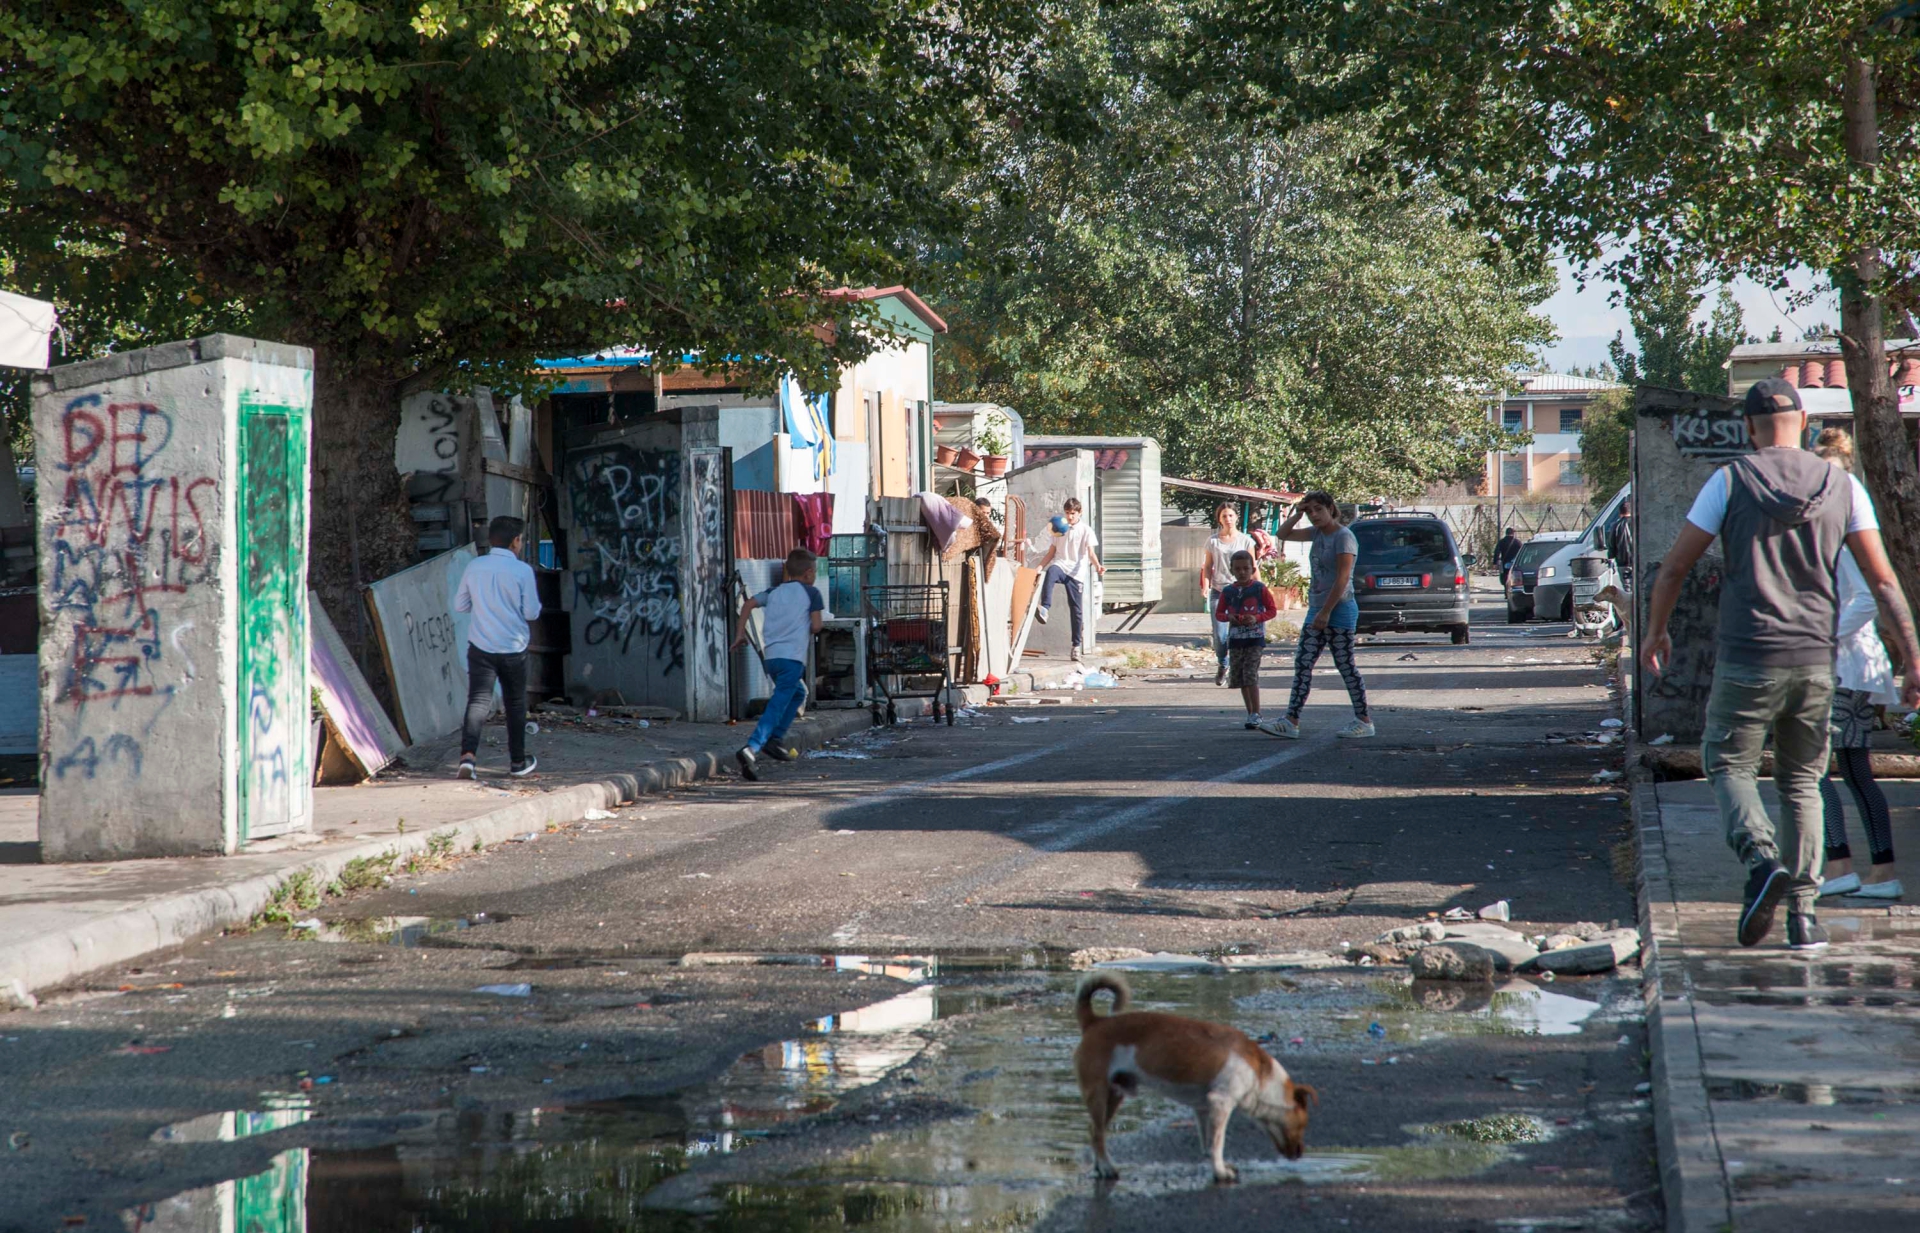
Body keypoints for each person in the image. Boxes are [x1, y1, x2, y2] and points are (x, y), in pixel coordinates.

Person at [1642, 380, 1920, 950]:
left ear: (1748, 428)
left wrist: (1655, 631)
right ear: (1804, 424)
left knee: (1729, 766)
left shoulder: (1729, 480)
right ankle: (1803, 917)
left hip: (1748, 656)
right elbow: (1883, 580)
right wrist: (1912, 659)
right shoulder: (1844, 486)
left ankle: (1760, 857)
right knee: (1803, 783)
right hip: (1818, 661)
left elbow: (1672, 569)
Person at [1811, 430, 1903, 901]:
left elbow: (1867, 598)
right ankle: (1876, 871)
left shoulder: (1844, 531)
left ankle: (1846, 866)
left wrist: (1822, 638)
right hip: (1851, 667)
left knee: (1818, 770)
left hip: (1845, 668)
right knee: (1850, 771)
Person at [1262, 491, 1374, 740]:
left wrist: (1326, 612)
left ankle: (1364, 720)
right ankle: (1291, 720)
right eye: (1310, 510)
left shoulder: (1344, 537)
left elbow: (1342, 579)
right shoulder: (1316, 533)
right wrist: (1297, 512)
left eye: (1317, 509)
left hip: (1339, 609)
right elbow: (1282, 535)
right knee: (1303, 663)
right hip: (1317, 608)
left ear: (1330, 508)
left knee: (1345, 665)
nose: (1314, 515)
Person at [454, 516, 542, 779]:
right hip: (513, 648)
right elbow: (531, 612)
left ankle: (468, 758)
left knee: (478, 701)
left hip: (481, 646)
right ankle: (517, 762)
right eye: (521, 539)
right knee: (515, 703)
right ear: (515, 541)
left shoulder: (474, 566)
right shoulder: (522, 571)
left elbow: (460, 605)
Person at [732, 547, 825, 781]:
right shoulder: (811, 593)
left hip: (771, 658)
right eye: (814, 572)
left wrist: (740, 634)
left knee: (797, 693)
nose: (814, 576)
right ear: (808, 573)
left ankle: (775, 739)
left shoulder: (773, 592)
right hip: (792, 658)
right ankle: (752, 747)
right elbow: (816, 627)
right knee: (777, 704)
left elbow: (748, 604)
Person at [1034, 497, 1105, 663]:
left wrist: (1097, 566)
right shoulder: (1060, 527)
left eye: (1073, 513)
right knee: (1050, 572)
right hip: (1061, 564)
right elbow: (1051, 552)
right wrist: (1039, 567)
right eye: (1067, 513)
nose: (1070, 516)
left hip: (1076, 572)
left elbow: (1091, 553)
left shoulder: (1086, 530)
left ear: (1079, 513)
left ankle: (1075, 646)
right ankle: (1044, 608)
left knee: (1076, 609)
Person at [1214, 550, 1278, 728]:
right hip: (1235, 640)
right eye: (1238, 569)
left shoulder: (1259, 589)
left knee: (1250, 674)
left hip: (1254, 639)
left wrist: (1256, 618)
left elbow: (1272, 610)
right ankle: (1250, 713)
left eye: (1246, 568)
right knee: (1241, 677)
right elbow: (1219, 613)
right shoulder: (1228, 591)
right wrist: (1230, 617)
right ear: (1232, 570)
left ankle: (1257, 713)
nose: (1242, 572)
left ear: (1252, 569)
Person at [1201, 504, 1256, 687]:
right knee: (1220, 635)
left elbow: (1253, 566)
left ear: (1236, 518)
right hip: (1220, 592)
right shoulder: (1213, 541)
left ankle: (1236, 669)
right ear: (1220, 519)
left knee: (1240, 633)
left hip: (1242, 592)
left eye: (1231, 515)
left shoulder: (1245, 540)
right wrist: (1206, 585)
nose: (1228, 519)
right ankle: (1223, 664)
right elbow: (1208, 566)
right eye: (1224, 516)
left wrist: (1260, 589)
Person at [1608, 501, 1635, 585]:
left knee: (1628, 588)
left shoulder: (1616, 526)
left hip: (1623, 562)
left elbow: (1611, 545)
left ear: (1620, 512)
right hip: (1639, 562)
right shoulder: (1640, 523)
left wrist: (1611, 558)